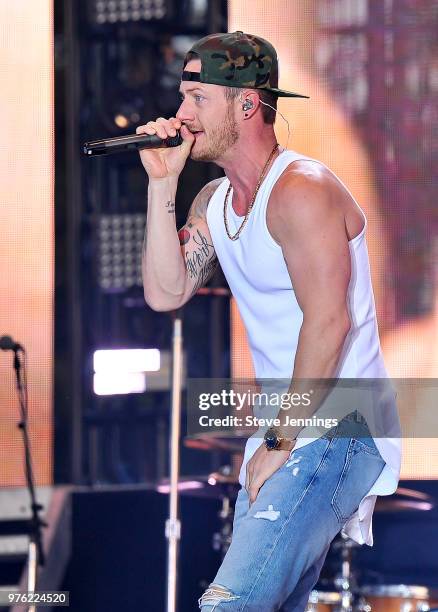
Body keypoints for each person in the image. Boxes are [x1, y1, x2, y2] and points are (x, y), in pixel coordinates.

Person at [138, 31, 401, 612]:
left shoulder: (302, 190)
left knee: (229, 604)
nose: (181, 114)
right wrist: (161, 183)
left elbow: (328, 322)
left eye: (198, 98)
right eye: (182, 98)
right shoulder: (214, 201)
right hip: (291, 426)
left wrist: (279, 442)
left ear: (247, 103)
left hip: (339, 425)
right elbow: (166, 291)